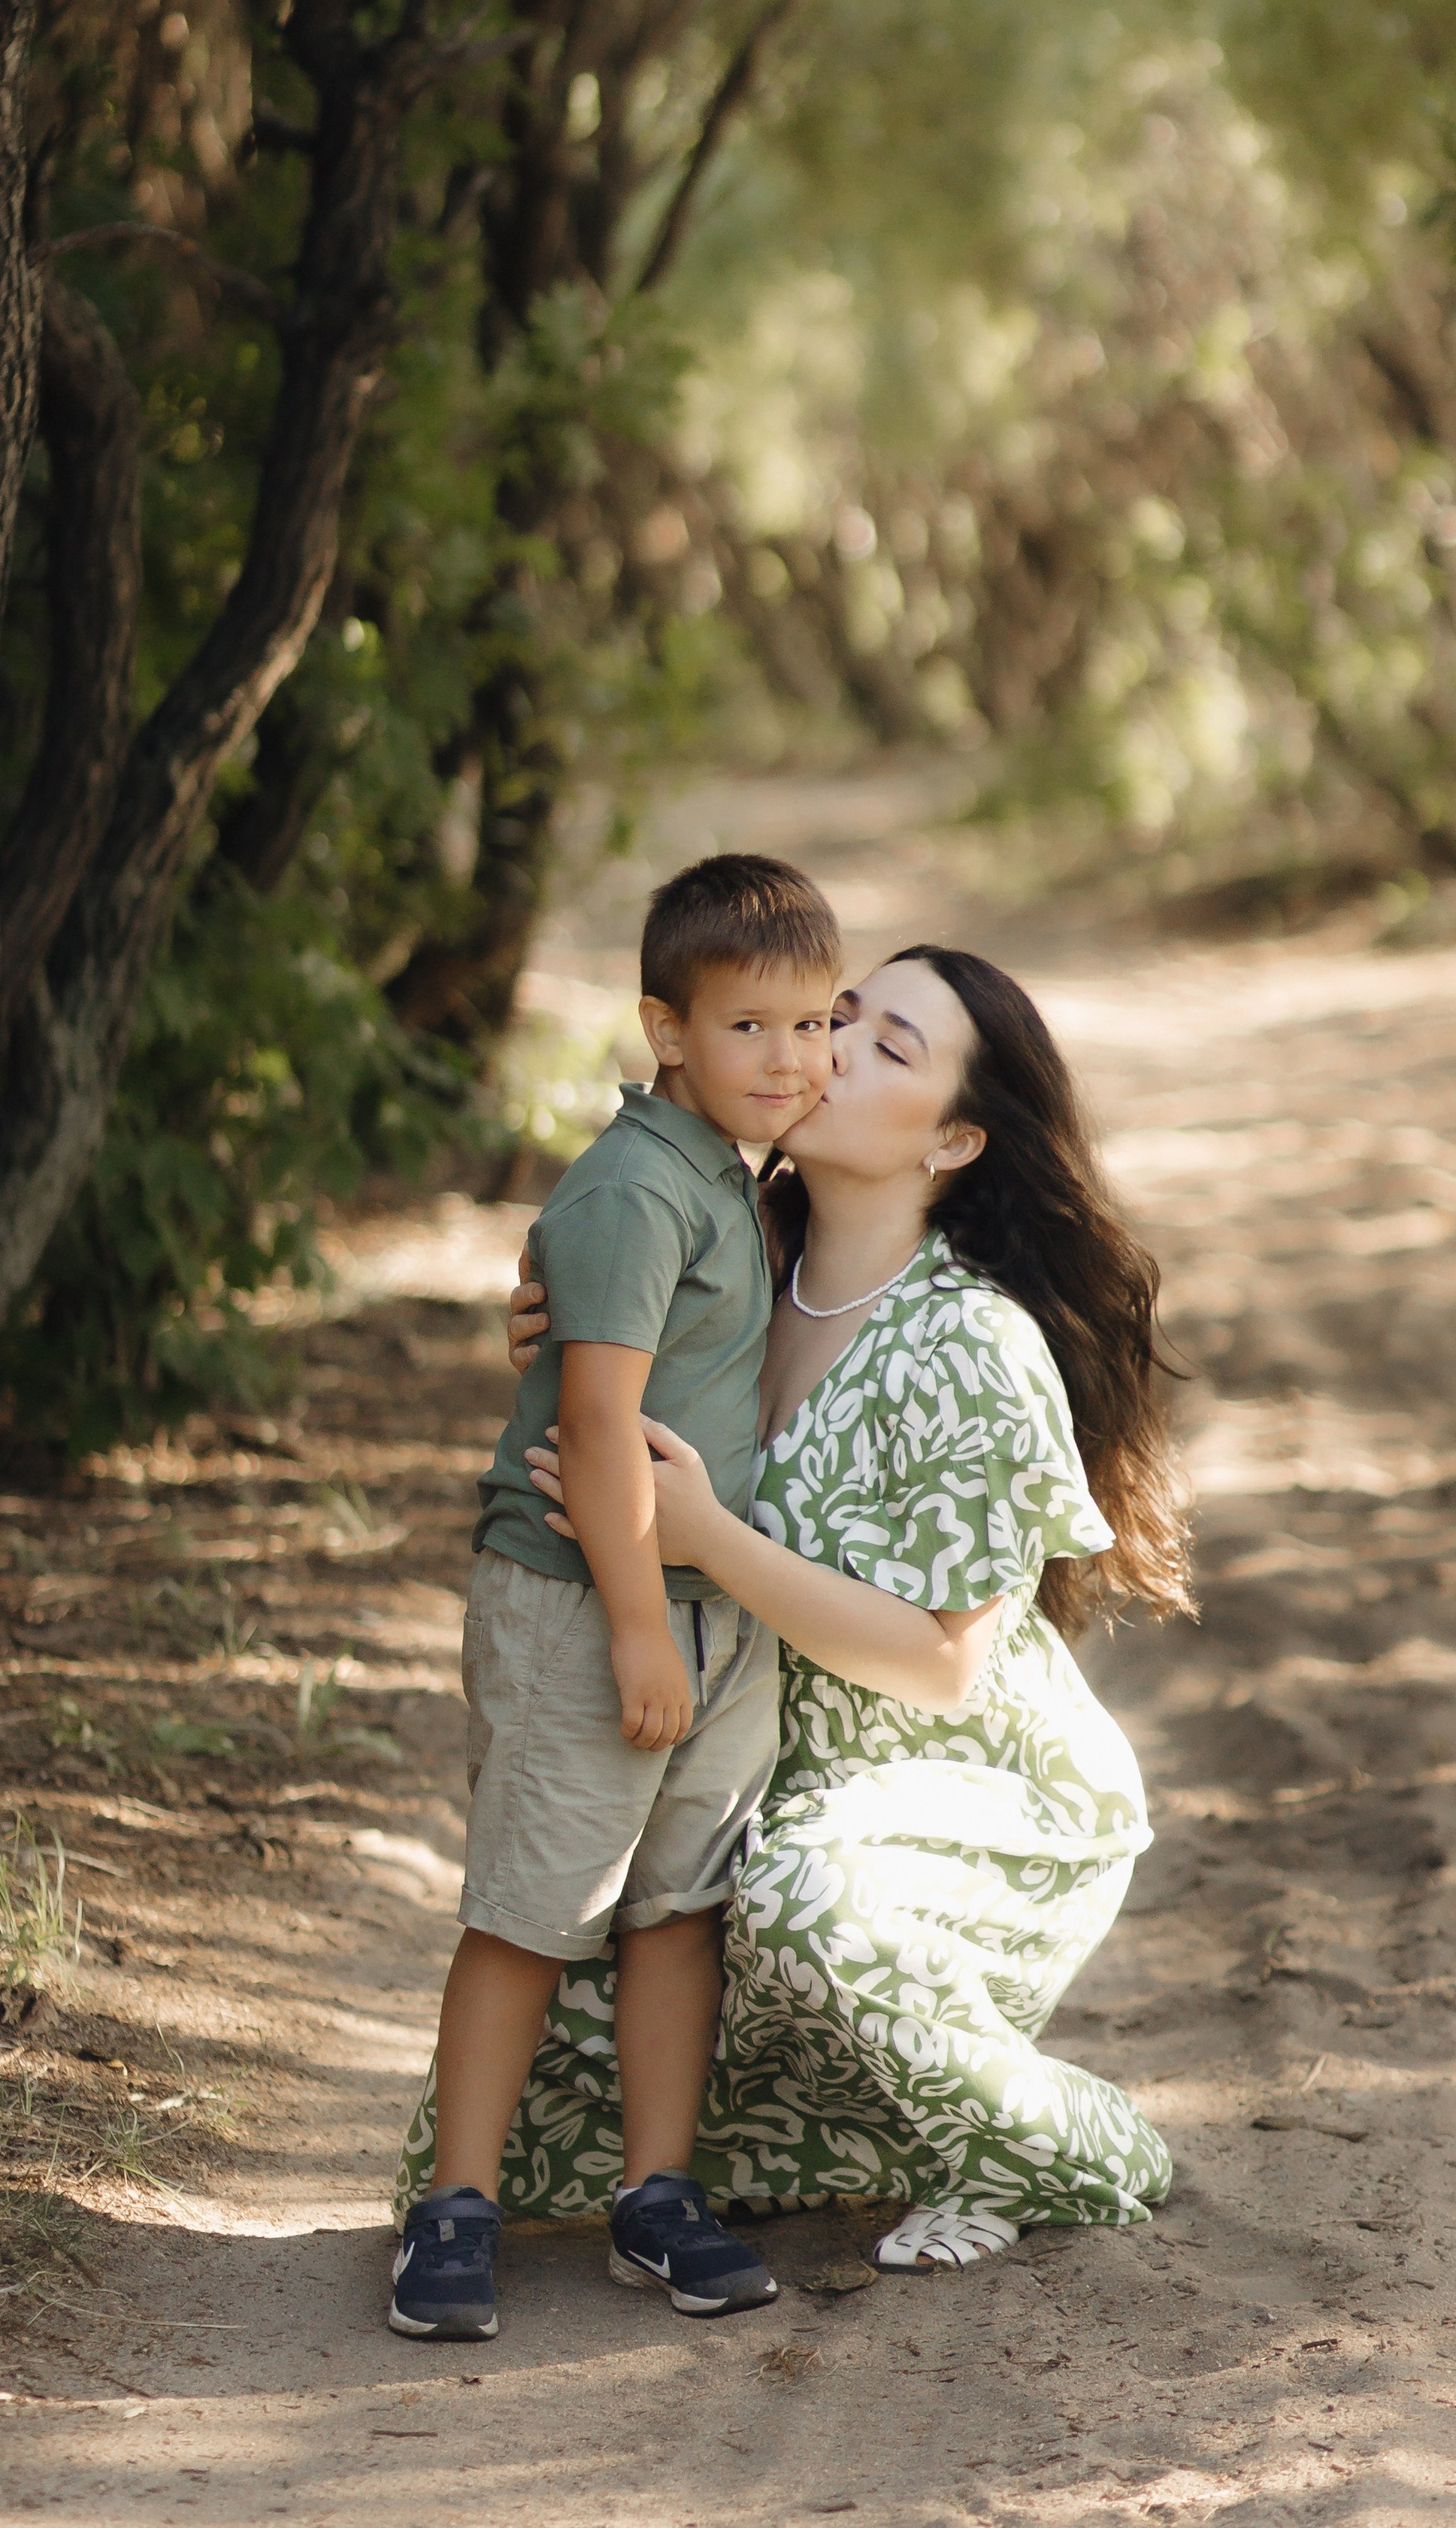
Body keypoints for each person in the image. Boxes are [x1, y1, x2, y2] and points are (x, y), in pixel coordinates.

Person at [395, 944, 1192, 2276]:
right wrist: (559, 1339)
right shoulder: (728, 1259)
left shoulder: (970, 1346)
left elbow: (945, 1670)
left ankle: (1074, 2141)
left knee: (798, 1900)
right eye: (834, 1017)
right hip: (747, 1763)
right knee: (554, 2044)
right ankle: (879, 2134)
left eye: (885, 1048)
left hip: (955, 1785)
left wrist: (706, 1536)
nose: (822, 1051)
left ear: (954, 1140)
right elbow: (596, 1408)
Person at [386, 853, 842, 2342]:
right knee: (531, 1908)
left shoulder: (728, 1172)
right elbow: (592, 1429)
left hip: (714, 1611)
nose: (791, 1059)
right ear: (664, 1032)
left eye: (815, 1023)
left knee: (676, 1913)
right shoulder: (634, 1190)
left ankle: (655, 2198)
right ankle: (453, 2210)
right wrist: (640, 1626)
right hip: (592, 1606)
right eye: (749, 1028)